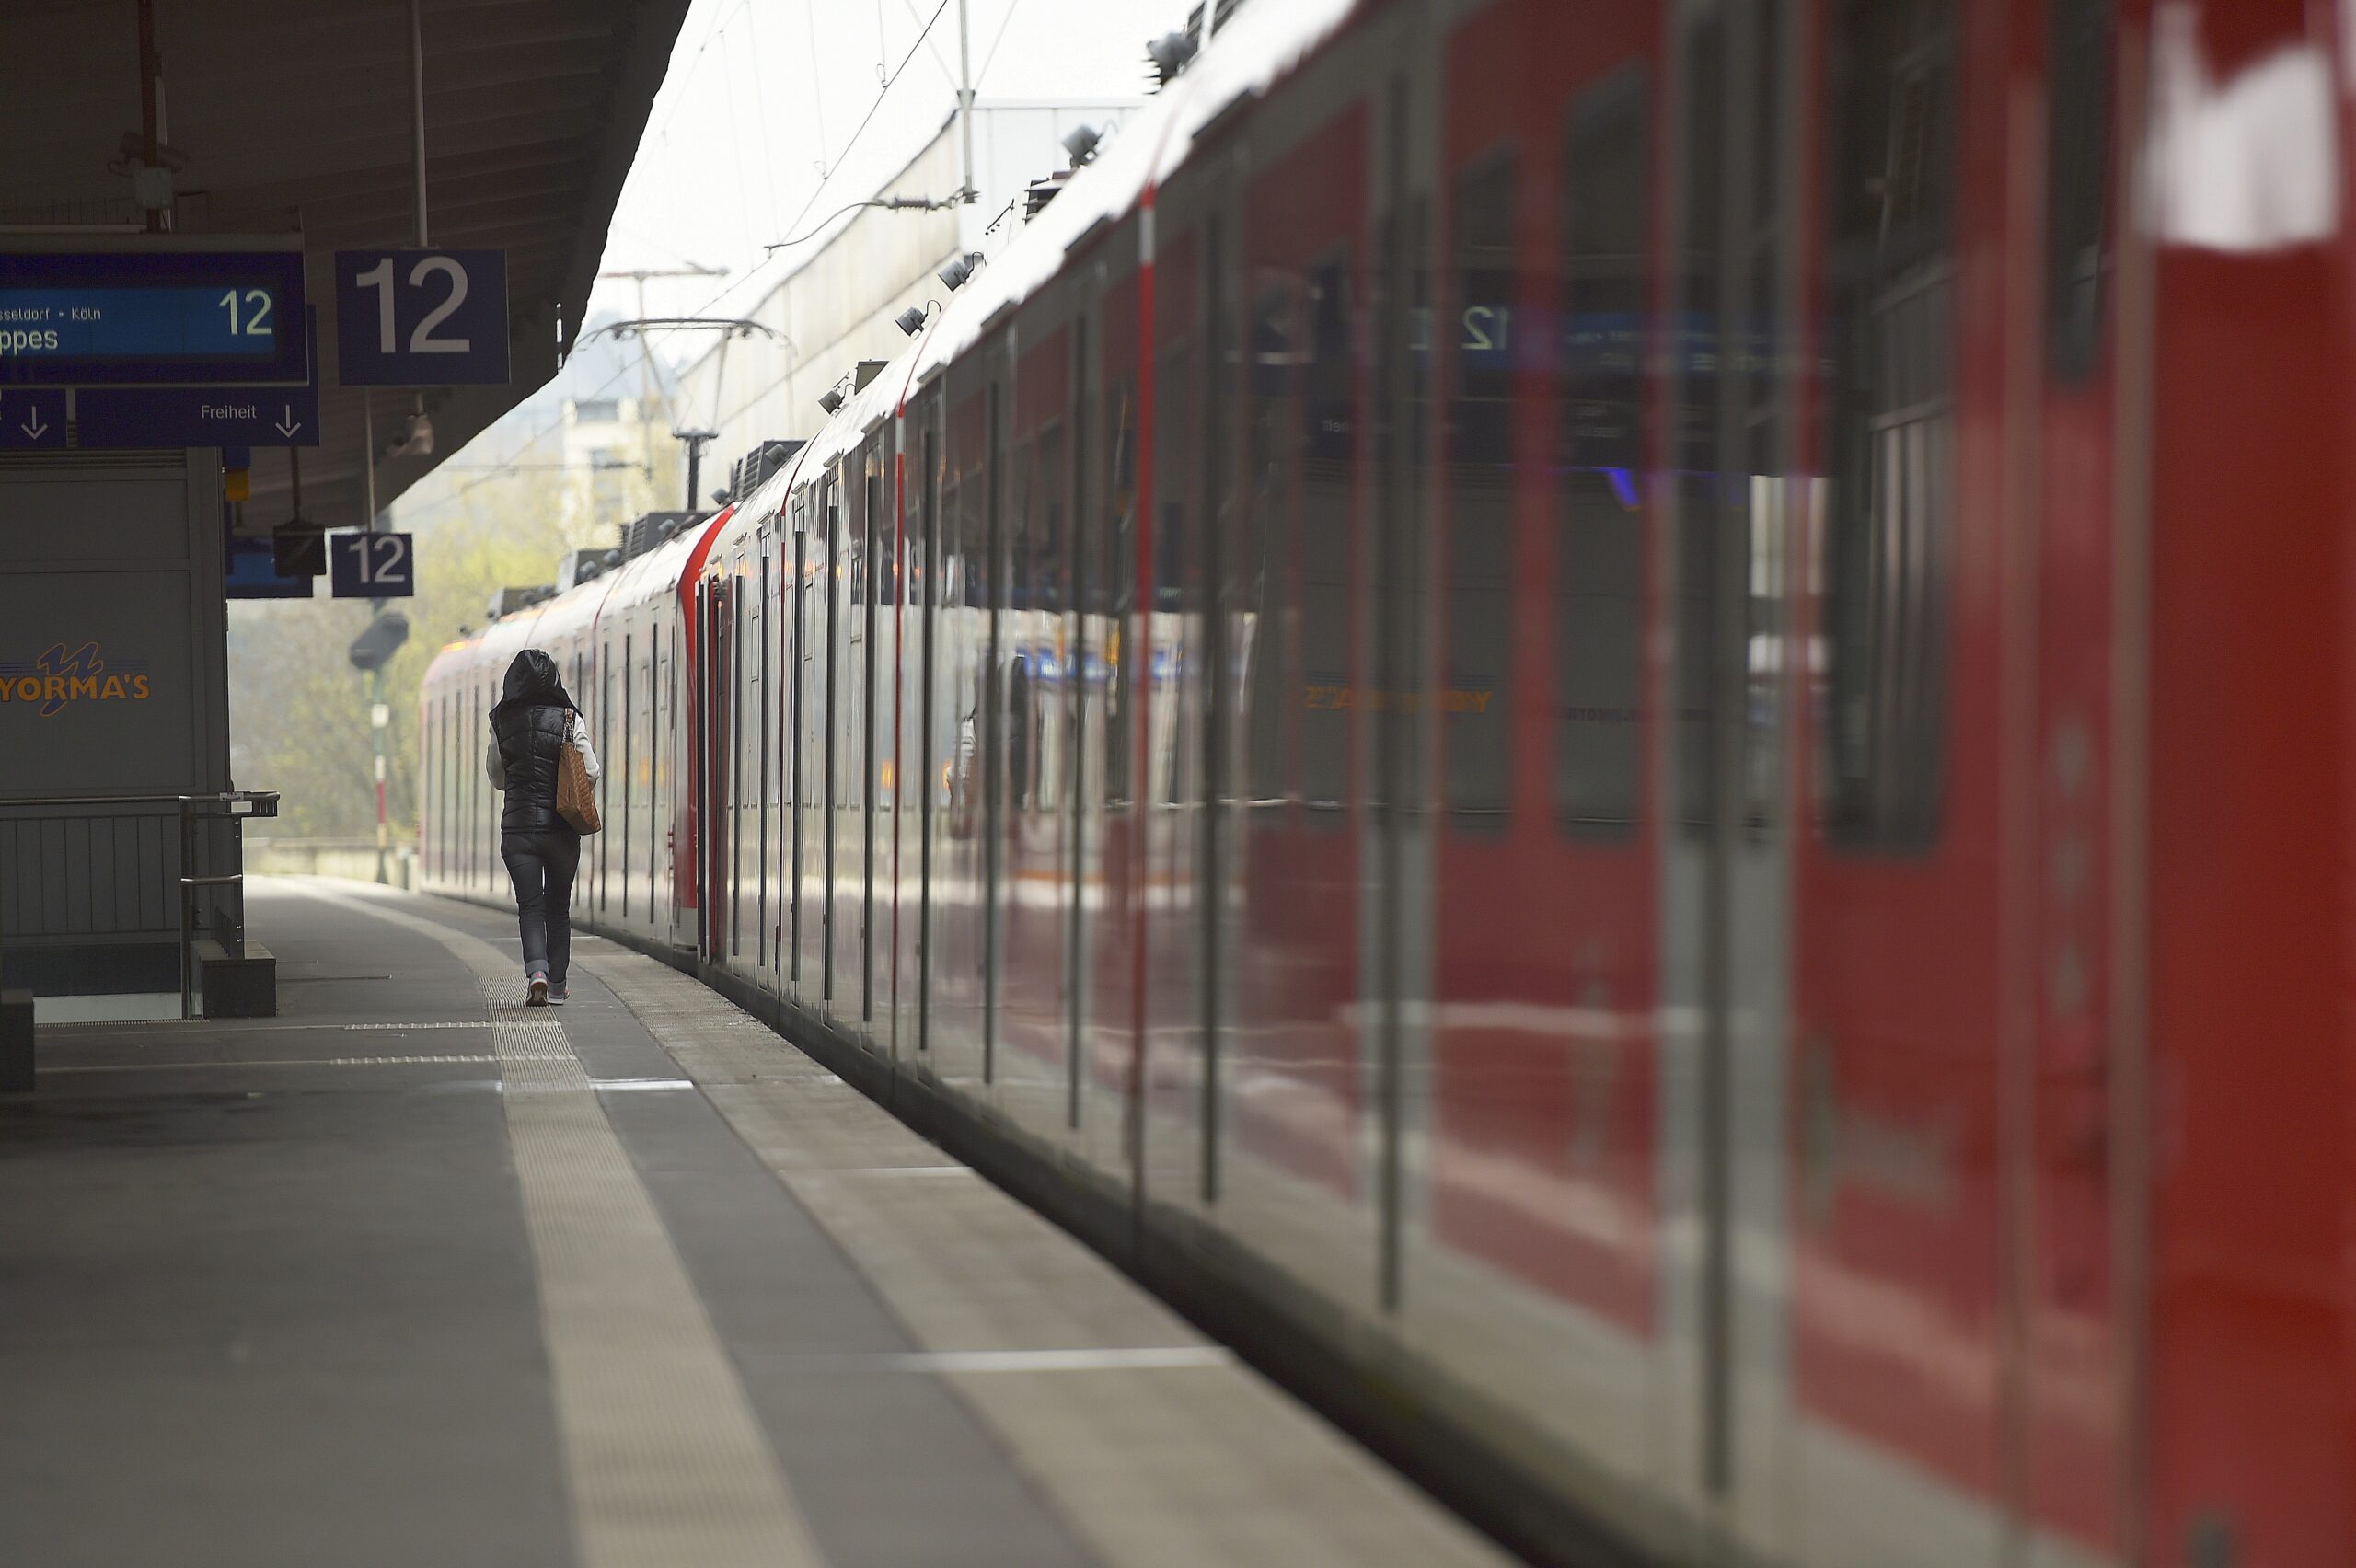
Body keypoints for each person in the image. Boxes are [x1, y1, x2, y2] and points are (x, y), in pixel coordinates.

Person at [485, 649, 599, 1006]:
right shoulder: (569, 719)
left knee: (530, 906)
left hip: (518, 832)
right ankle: (558, 985)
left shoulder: (502, 722)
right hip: (561, 831)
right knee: (557, 909)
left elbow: (497, 777)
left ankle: (536, 971)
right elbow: (591, 771)